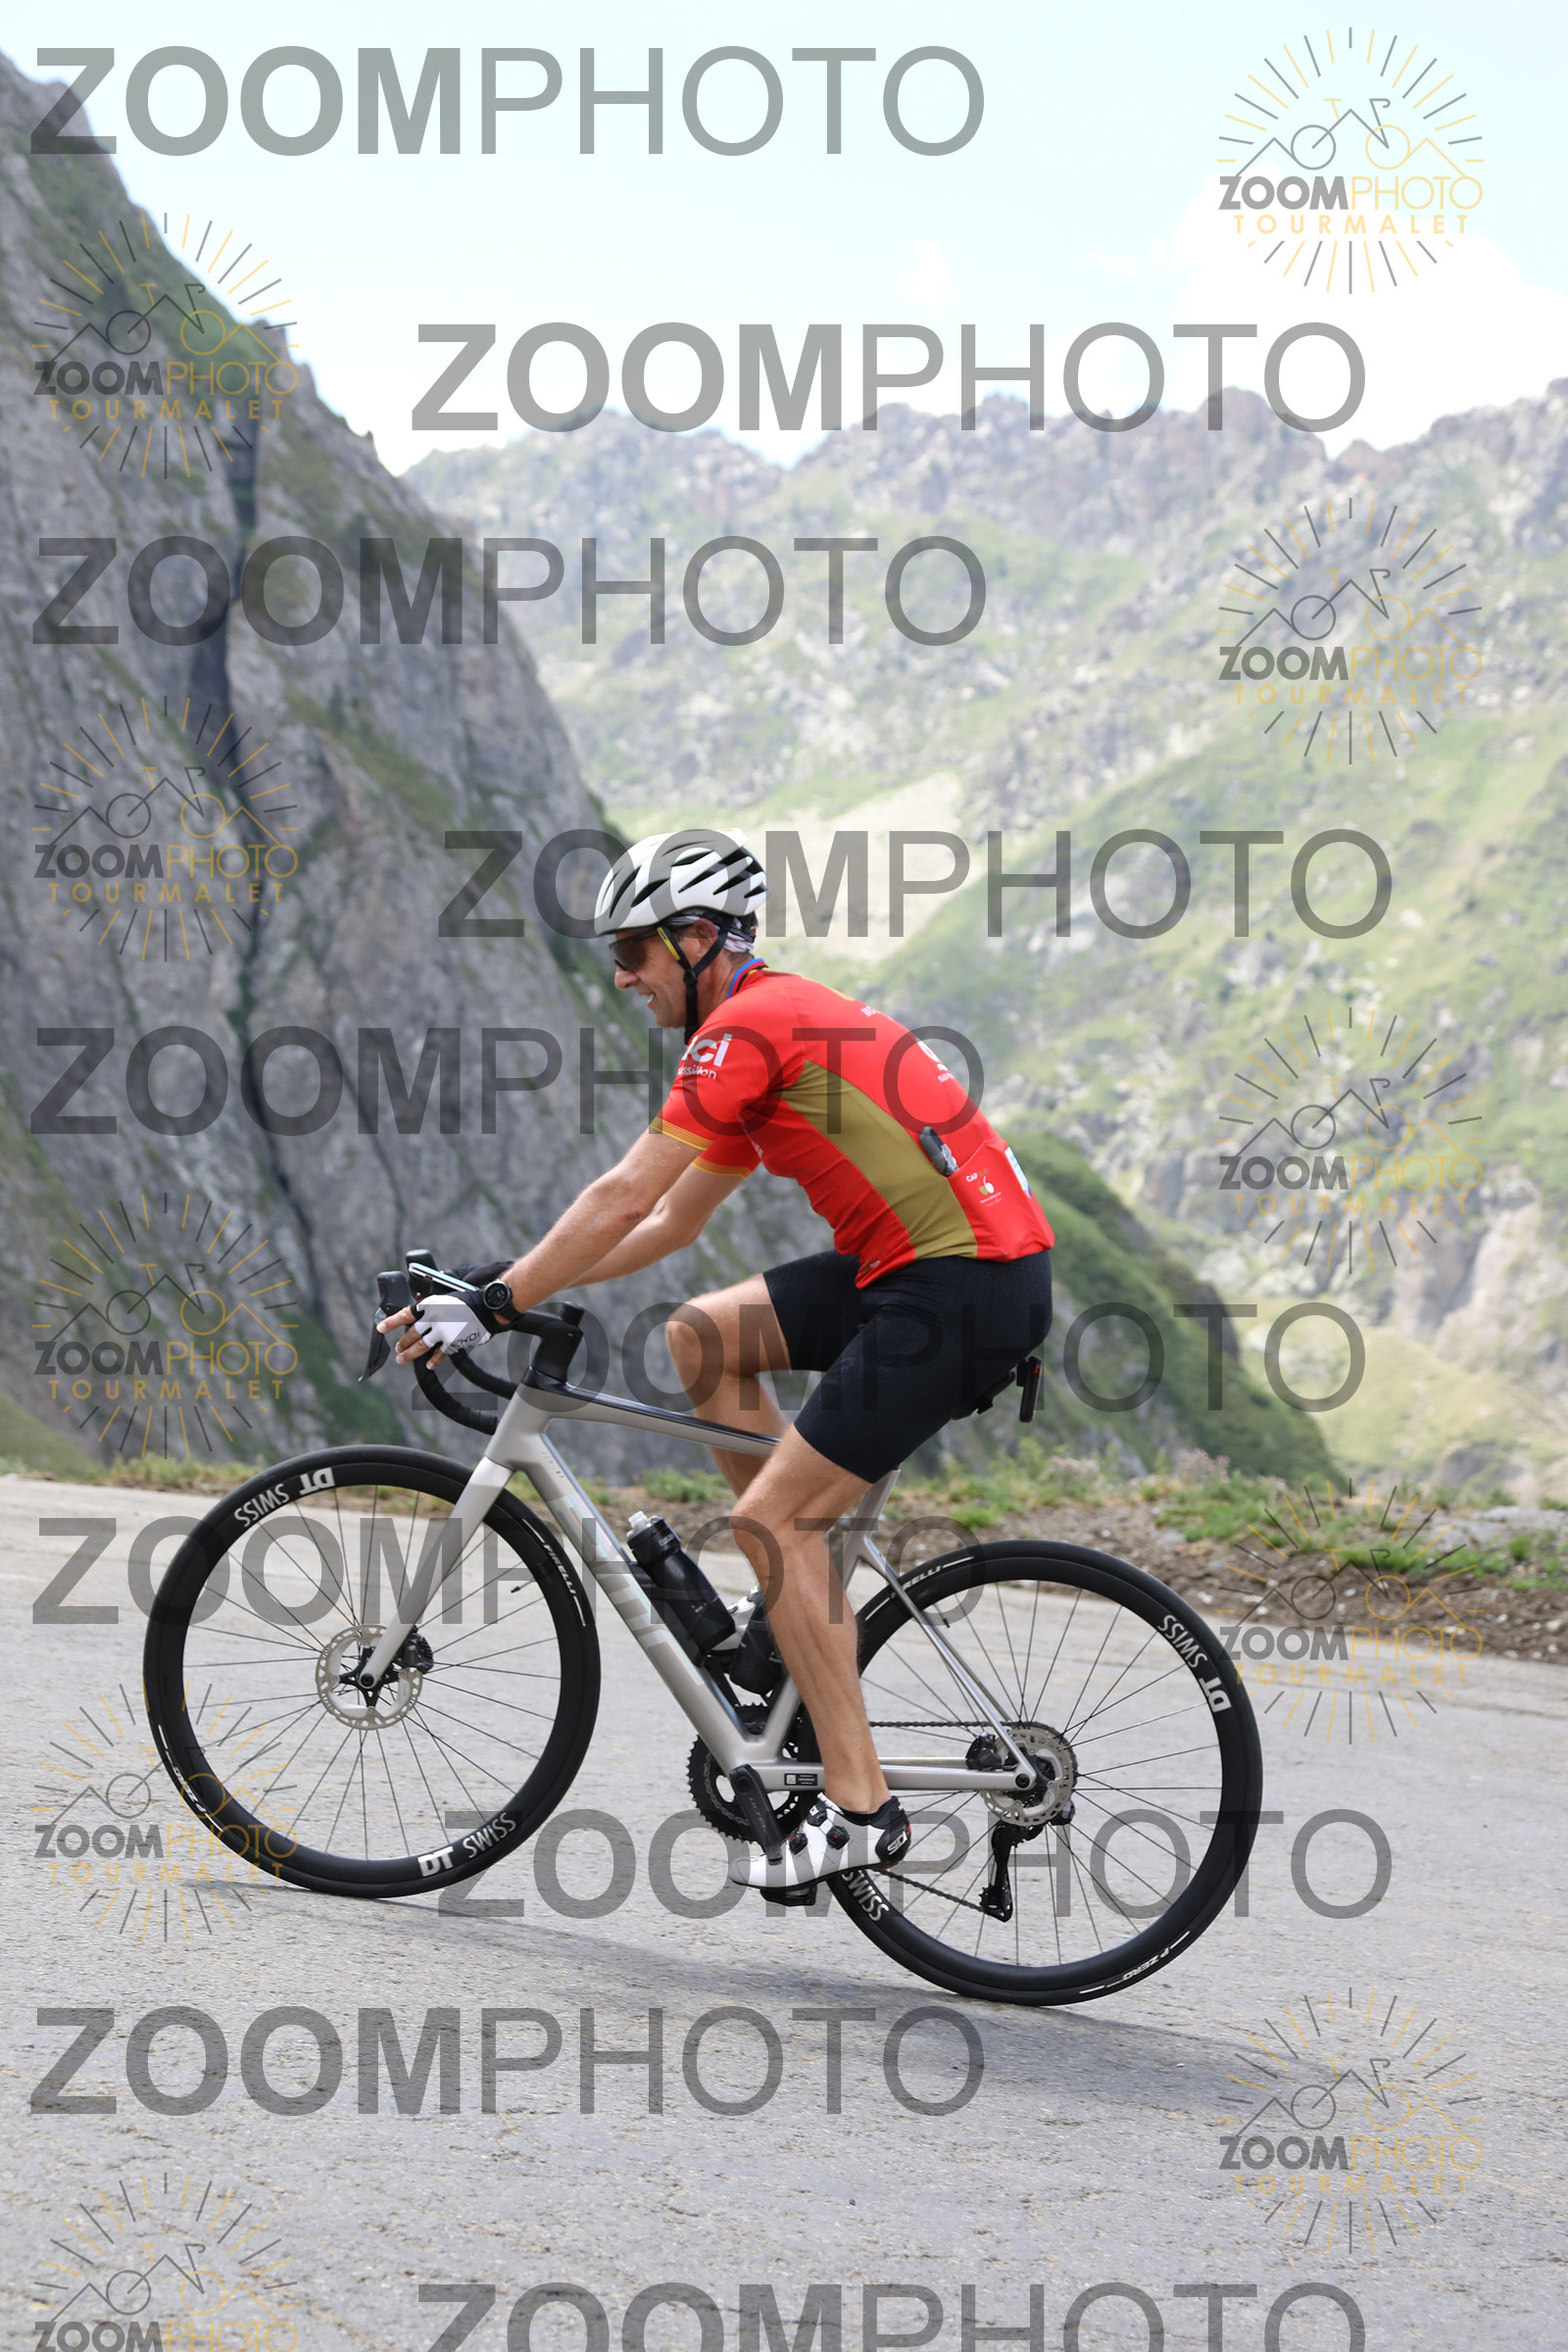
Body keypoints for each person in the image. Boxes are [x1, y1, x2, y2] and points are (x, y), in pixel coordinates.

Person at [379, 826, 1054, 1891]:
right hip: (932, 1268)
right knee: (704, 1335)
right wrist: (505, 1282)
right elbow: (666, 1226)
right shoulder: (769, 1027)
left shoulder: (744, 1029)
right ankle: (787, 1622)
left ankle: (861, 1808)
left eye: (634, 951)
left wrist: (500, 1305)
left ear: (697, 938)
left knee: (774, 1520)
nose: (622, 977)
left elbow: (623, 1195)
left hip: (960, 1284)